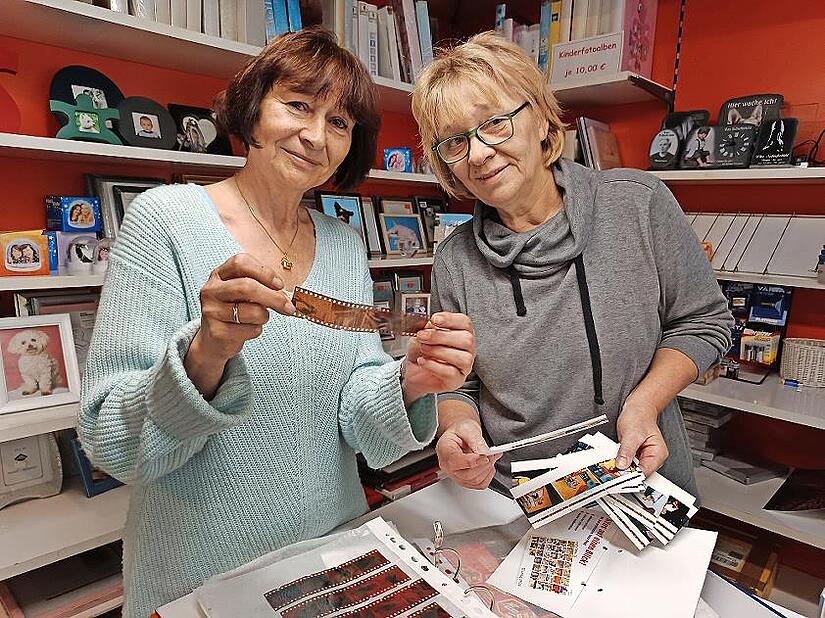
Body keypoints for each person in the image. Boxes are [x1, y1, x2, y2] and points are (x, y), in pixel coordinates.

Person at [79, 28, 476, 618]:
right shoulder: (163, 221)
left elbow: (358, 422)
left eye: (340, 123)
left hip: (328, 563)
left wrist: (410, 381)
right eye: (298, 106)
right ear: (255, 108)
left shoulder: (342, 245)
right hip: (199, 575)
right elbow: (110, 440)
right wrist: (205, 354)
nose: (316, 136)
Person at [411, 32, 732, 497]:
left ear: (541, 120)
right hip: (519, 501)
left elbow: (704, 321)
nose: (478, 153)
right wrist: (457, 428)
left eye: (495, 123)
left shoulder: (637, 205)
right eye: (455, 142)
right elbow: (458, 384)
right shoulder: (454, 261)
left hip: (641, 479)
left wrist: (644, 404)